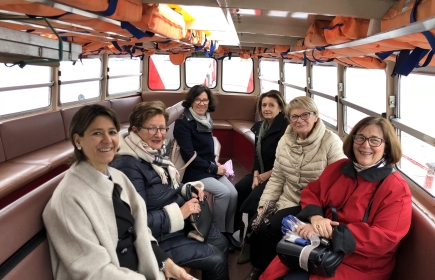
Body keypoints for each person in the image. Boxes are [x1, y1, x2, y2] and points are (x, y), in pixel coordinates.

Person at [43, 104, 192, 280]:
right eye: (97, 133)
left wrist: (166, 264)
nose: (107, 140)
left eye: (112, 132)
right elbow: (94, 272)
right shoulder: (68, 199)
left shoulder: (117, 178)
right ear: (78, 140)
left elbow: (141, 230)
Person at [111, 101, 229, 280]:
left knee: (222, 242)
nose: (159, 135)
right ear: (135, 130)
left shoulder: (152, 154)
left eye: (163, 128)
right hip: (158, 239)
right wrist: (180, 213)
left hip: (175, 225)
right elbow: (136, 223)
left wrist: (187, 188)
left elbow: (166, 188)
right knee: (217, 259)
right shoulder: (128, 166)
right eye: (152, 129)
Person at [283, 116, 412, 280]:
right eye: (360, 138)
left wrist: (326, 231)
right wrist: (316, 217)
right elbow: (312, 191)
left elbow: (384, 238)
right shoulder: (339, 167)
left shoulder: (396, 189)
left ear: (386, 147)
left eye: (375, 140)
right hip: (320, 247)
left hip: (360, 264)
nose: (365, 145)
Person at [243, 96, 346, 280]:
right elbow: (278, 177)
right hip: (288, 197)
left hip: (315, 205)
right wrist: (264, 204)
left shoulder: (331, 142)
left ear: (316, 116)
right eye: (294, 116)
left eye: (305, 115)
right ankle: (258, 267)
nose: (300, 120)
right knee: (257, 221)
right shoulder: (285, 140)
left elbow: (338, 184)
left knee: (270, 228)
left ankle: (271, 273)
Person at [173, 85, 241, 252]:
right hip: (194, 171)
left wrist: (215, 163)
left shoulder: (206, 119)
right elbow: (190, 155)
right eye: (197, 99)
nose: (201, 103)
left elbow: (207, 150)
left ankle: (228, 232)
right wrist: (213, 168)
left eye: (205, 99)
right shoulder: (183, 123)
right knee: (223, 193)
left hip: (208, 167)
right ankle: (217, 235)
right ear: (191, 101)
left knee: (234, 193)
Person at [235, 90, 288, 264]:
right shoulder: (261, 126)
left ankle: (249, 243)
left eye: (271, 105)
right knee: (238, 190)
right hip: (261, 173)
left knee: (253, 202)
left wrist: (263, 177)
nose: (267, 108)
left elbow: (285, 162)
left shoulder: (286, 129)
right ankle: (235, 230)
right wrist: (256, 175)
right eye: (264, 105)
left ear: (280, 108)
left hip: (278, 176)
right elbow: (257, 156)